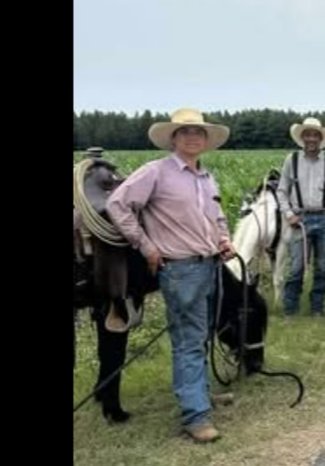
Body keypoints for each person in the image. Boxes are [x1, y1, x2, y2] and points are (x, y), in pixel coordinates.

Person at [107, 108, 236, 443]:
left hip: (209, 264)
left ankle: (200, 396)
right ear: (173, 138)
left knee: (201, 334)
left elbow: (217, 216)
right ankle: (195, 416)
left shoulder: (207, 178)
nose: (193, 136)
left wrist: (223, 240)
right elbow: (118, 205)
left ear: (206, 140)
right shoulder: (156, 172)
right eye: (185, 131)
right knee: (189, 342)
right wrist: (147, 247)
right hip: (180, 270)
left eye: (198, 131)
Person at [275, 117, 325, 316]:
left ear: (320, 139)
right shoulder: (291, 160)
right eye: (307, 134)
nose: (311, 139)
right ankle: (290, 310)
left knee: (323, 268)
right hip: (300, 221)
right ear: (301, 138)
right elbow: (282, 191)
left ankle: (317, 308)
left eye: (315, 135)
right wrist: (289, 214)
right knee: (297, 267)